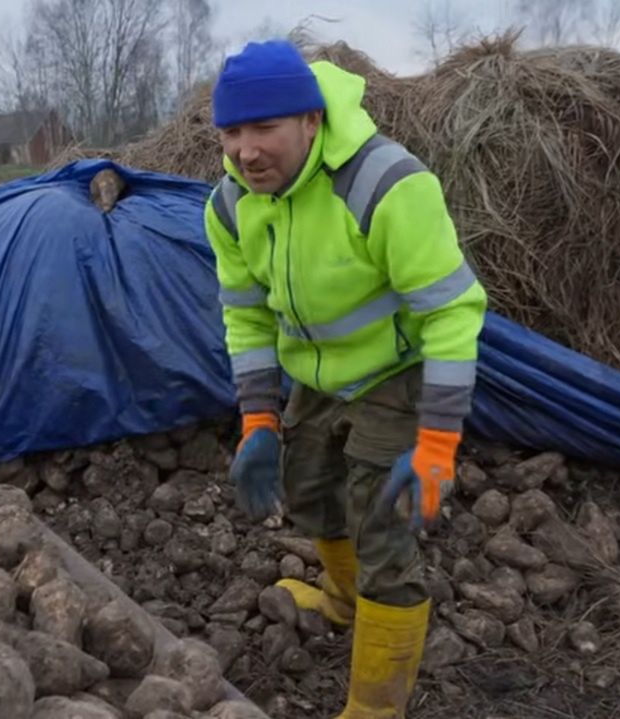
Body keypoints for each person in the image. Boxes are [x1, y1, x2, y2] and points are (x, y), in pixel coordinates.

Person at [204, 40, 487, 718]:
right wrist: (258, 418)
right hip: (315, 377)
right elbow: (244, 319)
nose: (245, 150)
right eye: (232, 131)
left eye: (264, 127)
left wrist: (438, 440)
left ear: (310, 120)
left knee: (379, 528)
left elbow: (452, 313)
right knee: (305, 491)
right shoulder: (229, 205)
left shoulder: (385, 183)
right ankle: (339, 598)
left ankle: (374, 706)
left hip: (397, 372)